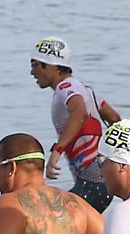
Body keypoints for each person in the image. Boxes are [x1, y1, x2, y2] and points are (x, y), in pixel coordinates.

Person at [28, 37, 122, 211]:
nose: (32, 72)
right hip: (101, 183)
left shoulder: (66, 88)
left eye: (34, 64)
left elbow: (79, 112)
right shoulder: (87, 90)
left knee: (46, 217)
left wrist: (57, 150)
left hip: (92, 184)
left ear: (50, 65)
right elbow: (115, 119)